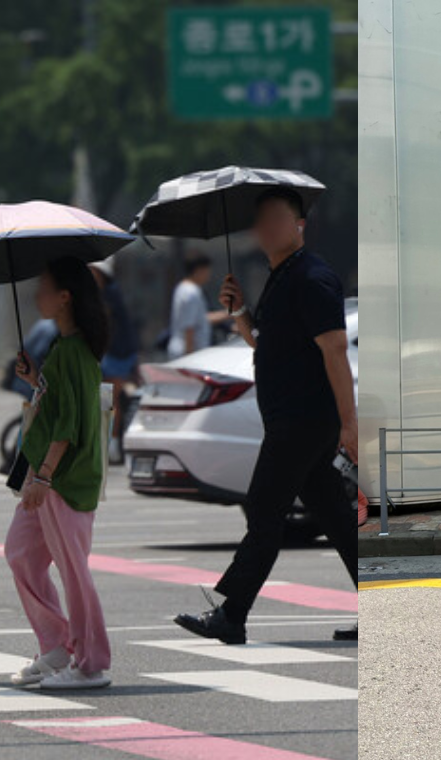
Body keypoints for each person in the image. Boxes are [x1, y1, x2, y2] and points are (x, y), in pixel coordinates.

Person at [174, 187, 359, 644]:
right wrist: (239, 311)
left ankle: (232, 614)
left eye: (278, 218)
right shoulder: (281, 277)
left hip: (303, 420)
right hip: (290, 419)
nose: (268, 228)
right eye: (262, 221)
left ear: (300, 225)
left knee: (264, 508)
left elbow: (336, 351)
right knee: (334, 515)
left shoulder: (312, 277)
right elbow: (265, 345)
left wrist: (349, 424)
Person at [5, 256, 112, 690]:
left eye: (44, 288)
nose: (37, 296)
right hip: (49, 476)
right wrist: (37, 381)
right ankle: (55, 644)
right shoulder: (65, 348)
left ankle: (90, 664)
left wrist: (43, 476)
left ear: (65, 296)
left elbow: (68, 425)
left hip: (63, 480)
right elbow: (61, 407)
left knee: (73, 572)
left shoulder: (73, 351)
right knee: (21, 553)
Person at [90, 257, 140, 465]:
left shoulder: (109, 294)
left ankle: (111, 446)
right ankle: (108, 444)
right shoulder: (105, 293)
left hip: (117, 354)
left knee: (109, 400)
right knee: (106, 399)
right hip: (113, 354)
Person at [166, 253, 231, 361]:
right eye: (207, 270)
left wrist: (229, 313)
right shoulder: (191, 293)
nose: (209, 274)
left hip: (184, 350)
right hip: (188, 352)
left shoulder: (183, 288)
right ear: (199, 270)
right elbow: (189, 327)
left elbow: (201, 318)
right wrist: (189, 358)